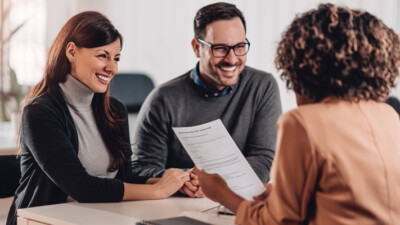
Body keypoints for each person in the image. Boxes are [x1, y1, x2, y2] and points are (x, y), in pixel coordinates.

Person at [194, 3, 400, 224]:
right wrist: (285, 192)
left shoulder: (302, 123)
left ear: (302, 67)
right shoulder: (388, 116)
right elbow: (352, 197)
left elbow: (276, 222)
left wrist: (222, 193)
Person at [7, 11, 189, 225]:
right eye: (103, 55)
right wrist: (158, 191)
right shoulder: (39, 113)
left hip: (98, 217)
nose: (112, 68)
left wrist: (172, 182)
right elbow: (81, 187)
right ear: (72, 52)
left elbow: (124, 178)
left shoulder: (115, 110)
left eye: (117, 58)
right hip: (44, 221)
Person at [131, 2, 282, 198]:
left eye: (240, 46)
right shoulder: (163, 99)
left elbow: (263, 159)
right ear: (196, 47)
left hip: (236, 202)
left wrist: (213, 181)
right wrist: (183, 179)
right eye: (220, 48)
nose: (232, 59)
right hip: (178, 206)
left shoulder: (262, 86)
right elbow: (140, 169)